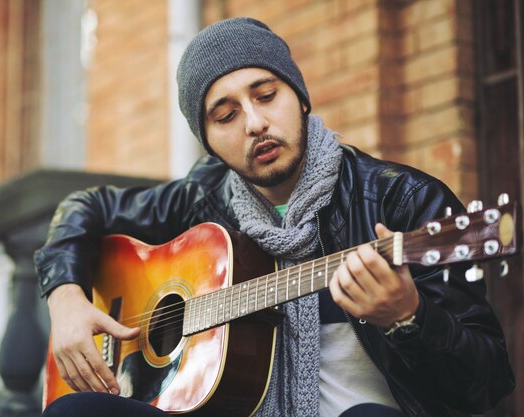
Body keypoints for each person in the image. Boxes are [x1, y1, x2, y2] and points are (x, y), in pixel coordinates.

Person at [36, 17, 514, 417]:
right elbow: (83, 207)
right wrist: (65, 299)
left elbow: (487, 383)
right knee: (73, 411)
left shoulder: (403, 202)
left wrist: (408, 317)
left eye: (266, 95)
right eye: (225, 116)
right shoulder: (201, 200)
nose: (255, 123)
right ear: (209, 142)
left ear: (300, 98)